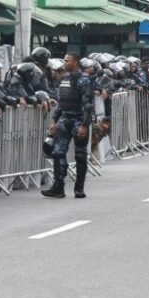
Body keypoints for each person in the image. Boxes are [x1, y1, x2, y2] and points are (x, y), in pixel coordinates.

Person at [43, 53, 94, 199]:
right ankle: (58, 187)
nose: (65, 63)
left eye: (68, 61)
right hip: (64, 120)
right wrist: (53, 121)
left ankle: (79, 189)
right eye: (64, 61)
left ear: (76, 62)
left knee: (80, 155)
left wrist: (84, 125)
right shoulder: (64, 79)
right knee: (58, 153)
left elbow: (88, 104)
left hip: (79, 120)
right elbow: (61, 102)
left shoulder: (85, 80)